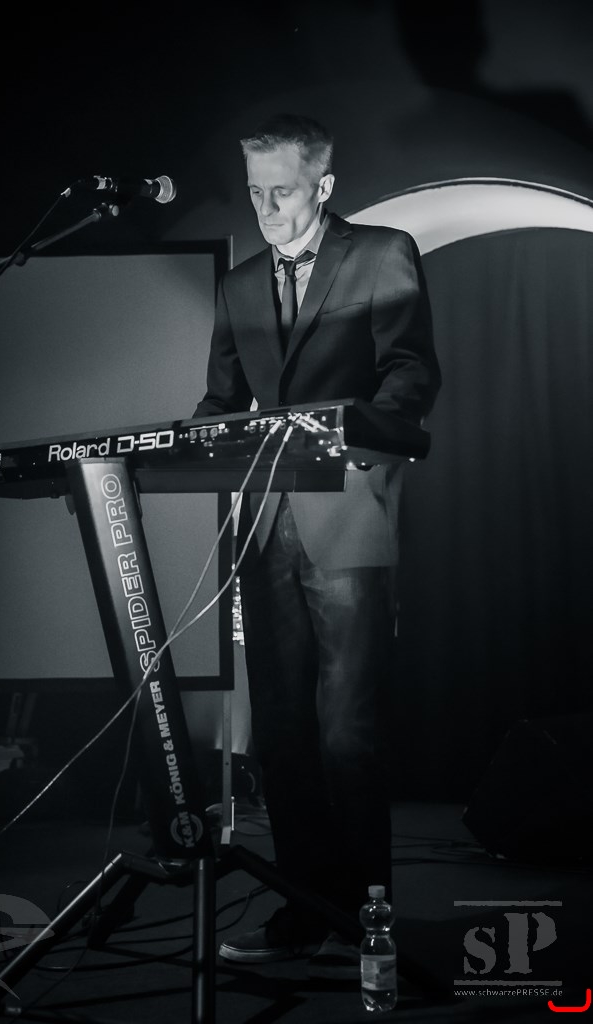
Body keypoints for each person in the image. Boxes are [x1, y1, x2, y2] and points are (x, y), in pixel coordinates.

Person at [193, 113, 441, 973]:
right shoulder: (238, 283)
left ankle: (363, 923)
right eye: (254, 193)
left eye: (282, 191)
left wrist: (355, 433)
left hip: (348, 515)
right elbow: (219, 400)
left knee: (347, 733)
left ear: (324, 186)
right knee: (282, 735)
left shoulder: (380, 253)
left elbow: (410, 370)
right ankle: (302, 912)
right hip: (262, 527)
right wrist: (187, 442)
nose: (266, 209)